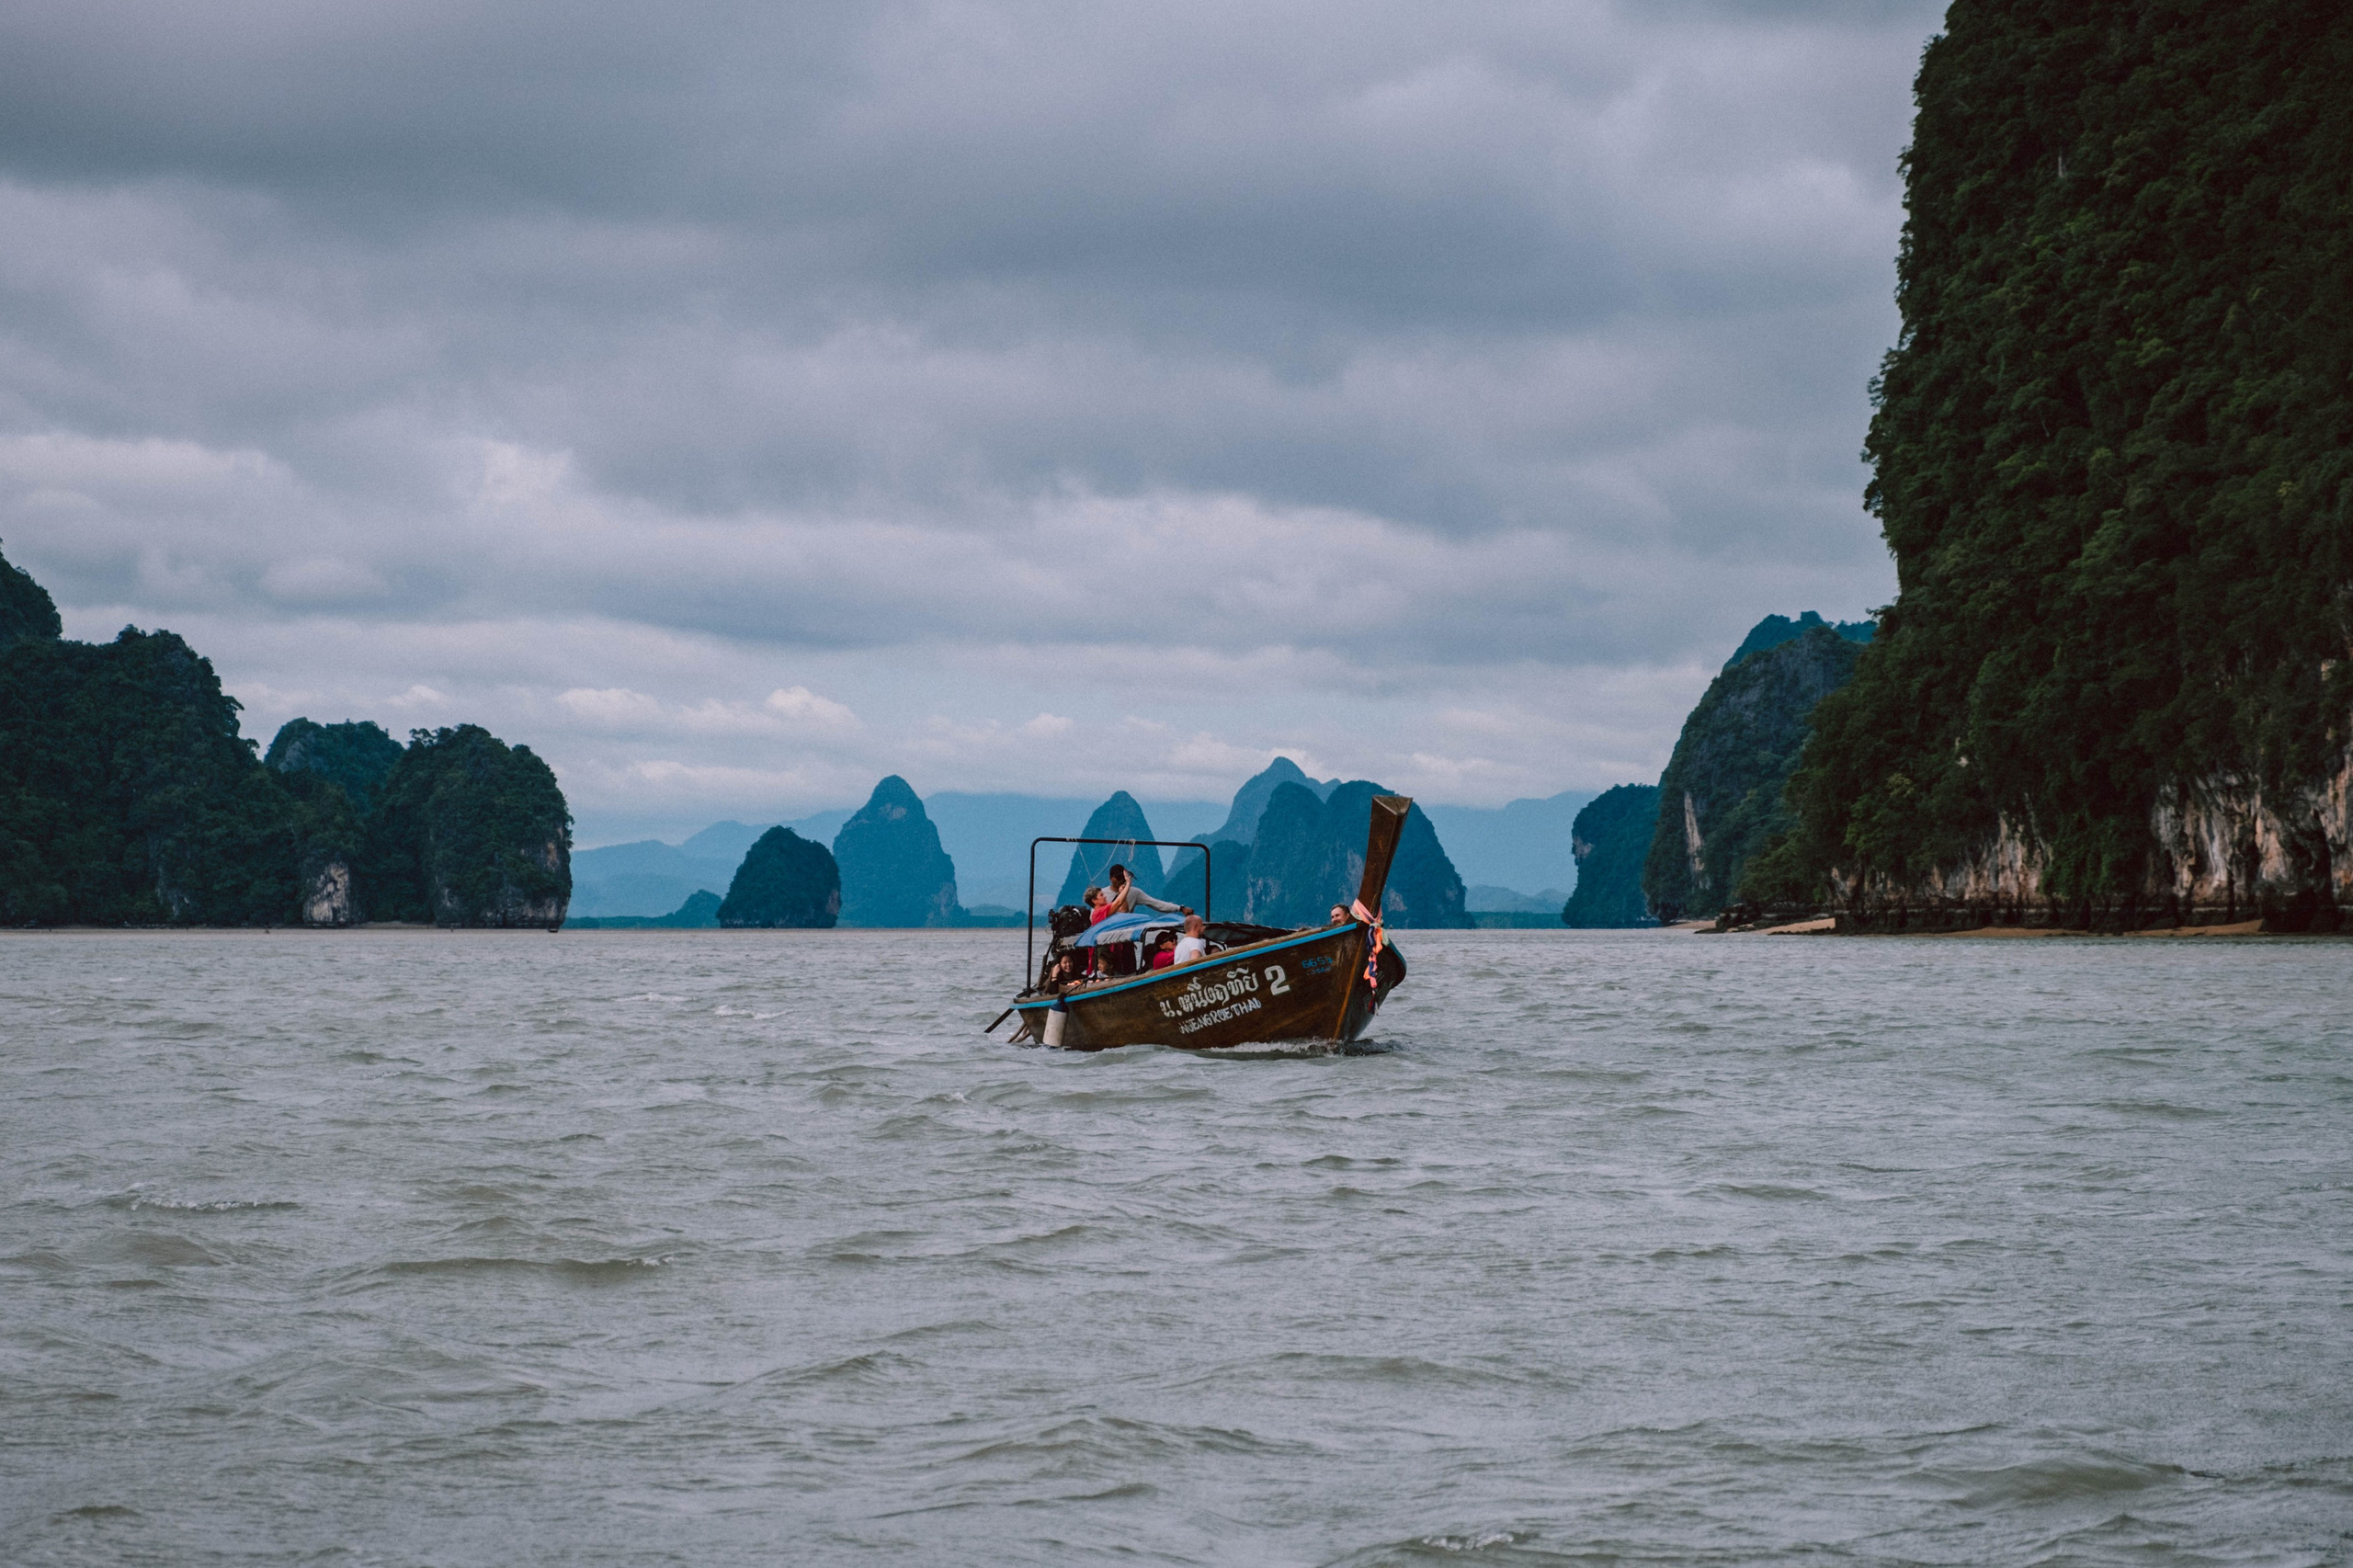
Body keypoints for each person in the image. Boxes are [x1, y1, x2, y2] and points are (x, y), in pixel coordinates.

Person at [1098, 862, 1190, 919]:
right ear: (1111, 878)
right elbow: (1095, 914)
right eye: (1117, 877)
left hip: (1125, 936)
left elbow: (1156, 904)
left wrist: (1180, 908)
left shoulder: (1134, 892)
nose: (1120, 880)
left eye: (1122, 877)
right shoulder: (1102, 894)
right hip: (1106, 935)